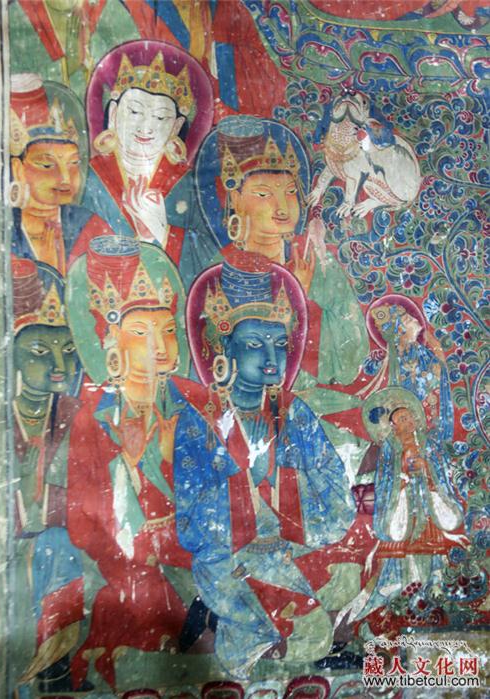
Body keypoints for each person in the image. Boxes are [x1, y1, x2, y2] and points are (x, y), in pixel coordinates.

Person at [173, 260, 359, 678]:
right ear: (226, 349)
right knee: (273, 632)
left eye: (280, 343)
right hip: (229, 556)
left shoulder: (295, 413)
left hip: (292, 545)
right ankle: (234, 627)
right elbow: (189, 522)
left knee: (345, 577)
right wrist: (245, 486)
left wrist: (291, 509)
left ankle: (288, 634)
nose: (273, 357)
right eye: (255, 344)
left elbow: (335, 491)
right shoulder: (200, 420)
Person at [194, 115, 370, 473]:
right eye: (263, 194)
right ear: (235, 200)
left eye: (290, 192)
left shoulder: (319, 263)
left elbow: (351, 357)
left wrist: (310, 304)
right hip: (245, 412)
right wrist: (295, 302)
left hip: (316, 405)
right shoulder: (218, 275)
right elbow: (213, 358)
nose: (282, 206)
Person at [66, 237, 196, 690]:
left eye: (167, 329)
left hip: (193, 550)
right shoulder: (94, 419)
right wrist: (127, 465)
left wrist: (169, 459)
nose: (159, 345)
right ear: (109, 342)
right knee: (140, 616)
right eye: (140, 332)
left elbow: (226, 492)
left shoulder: (192, 405)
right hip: (125, 560)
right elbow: (82, 524)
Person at [10, 257, 90, 694]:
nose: (60, 363)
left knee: (57, 543)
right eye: (41, 351)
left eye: (68, 349)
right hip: (8, 562)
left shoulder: (77, 416)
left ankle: (56, 669)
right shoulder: (1, 419)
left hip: (60, 557)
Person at [79, 41, 217, 282]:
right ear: (113, 114)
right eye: (134, 112)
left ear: (176, 127)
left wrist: (162, 231)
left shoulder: (189, 186)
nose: (146, 127)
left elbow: (210, 256)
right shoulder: (89, 178)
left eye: (161, 117)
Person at [337, 387, 464, 625]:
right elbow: (385, 478)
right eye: (401, 420)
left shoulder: (428, 442)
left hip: (428, 503)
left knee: (432, 552)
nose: (407, 422)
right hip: (403, 506)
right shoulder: (390, 447)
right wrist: (402, 476)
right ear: (393, 426)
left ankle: (434, 593)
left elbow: (442, 470)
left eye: (409, 417)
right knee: (406, 554)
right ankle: (406, 598)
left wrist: (427, 470)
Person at [9, 73, 113, 275]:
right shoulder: (0, 231)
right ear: (18, 168)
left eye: (73, 163)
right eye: (47, 165)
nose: (65, 177)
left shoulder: (90, 228)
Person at [367, 295, 453, 440]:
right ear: (400, 331)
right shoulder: (395, 365)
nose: (415, 320)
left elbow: (441, 374)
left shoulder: (423, 353)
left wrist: (437, 348)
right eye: (408, 320)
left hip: (433, 417)